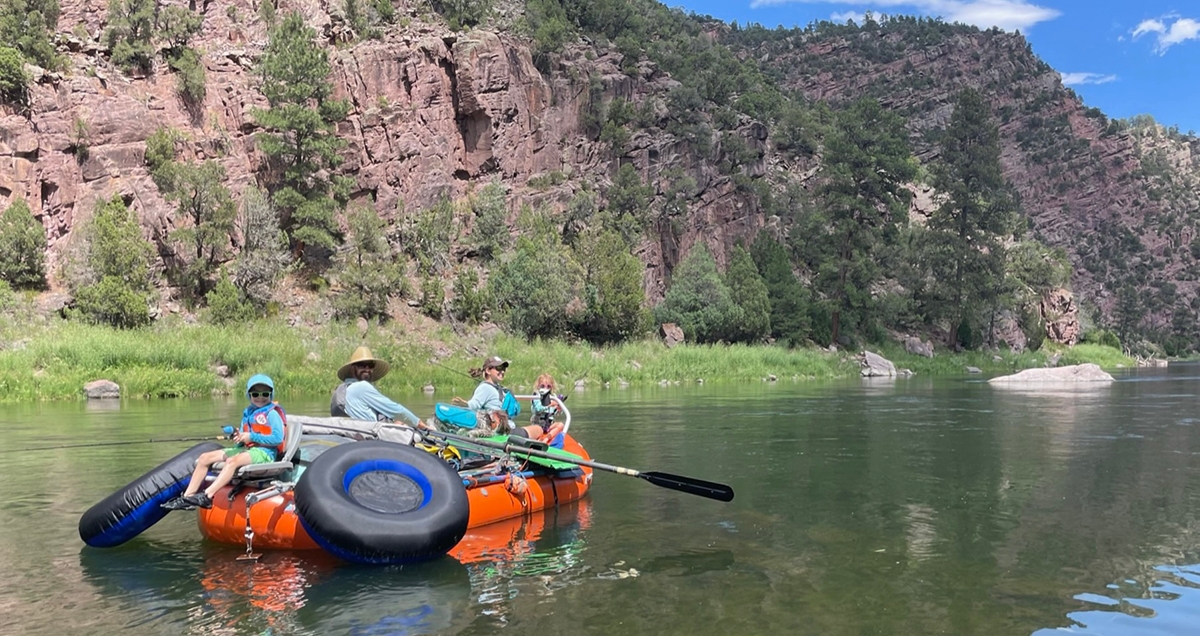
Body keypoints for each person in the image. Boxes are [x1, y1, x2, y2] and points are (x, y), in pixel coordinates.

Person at [163, 374, 285, 510]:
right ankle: (188, 497)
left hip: (265, 452)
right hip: (249, 450)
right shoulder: (248, 413)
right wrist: (238, 438)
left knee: (232, 461)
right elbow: (243, 440)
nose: (260, 398)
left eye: (265, 394)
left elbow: (278, 438)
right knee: (204, 458)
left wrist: (251, 437)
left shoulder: (272, 414)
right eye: (255, 394)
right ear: (249, 395)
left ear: (271, 395)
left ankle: (207, 496)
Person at [330, 346, 421, 427]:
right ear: (353, 369)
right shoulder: (362, 387)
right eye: (362, 365)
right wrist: (421, 425)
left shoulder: (343, 389)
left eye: (370, 365)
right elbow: (398, 411)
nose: (367, 369)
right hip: (369, 439)